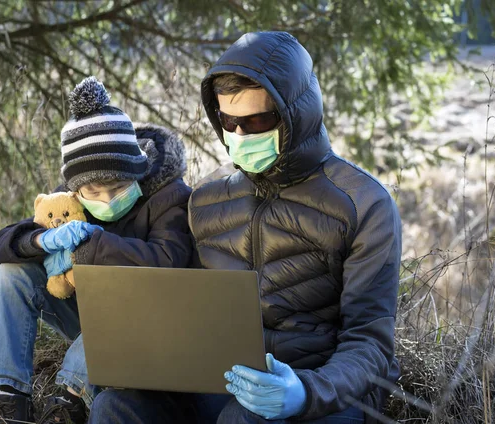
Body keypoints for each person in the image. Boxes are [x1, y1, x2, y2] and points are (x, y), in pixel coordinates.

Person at [89, 31, 401, 424]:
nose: (239, 135)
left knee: (244, 418)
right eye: (228, 121)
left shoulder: (363, 203)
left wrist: (304, 392)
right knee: (116, 406)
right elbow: (189, 312)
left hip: (322, 395)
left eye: (255, 120)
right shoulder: (206, 200)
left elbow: (369, 342)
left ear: (294, 116)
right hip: (223, 384)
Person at [0, 76, 193, 424]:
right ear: (75, 188)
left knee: (117, 299)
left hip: (141, 321)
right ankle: (9, 394)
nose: (107, 198)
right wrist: (39, 241)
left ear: (136, 171)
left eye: (119, 186)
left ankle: (70, 398)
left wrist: (90, 245)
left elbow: (168, 261)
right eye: (94, 191)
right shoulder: (69, 202)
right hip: (83, 316)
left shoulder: (169, 197)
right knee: (14, 271)